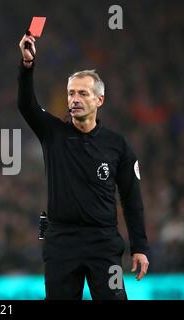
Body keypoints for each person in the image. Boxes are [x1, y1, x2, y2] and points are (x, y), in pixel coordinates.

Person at [17, 34, 149, 300]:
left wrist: (140, 247)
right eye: (71, 93)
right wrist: (27, 65)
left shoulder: (117, 145)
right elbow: (26, 105)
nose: (74, 99)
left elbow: (132, 198)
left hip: (103, 243)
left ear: (99, 100)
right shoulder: (53, 133)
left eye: (82, 93)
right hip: (61, 242)